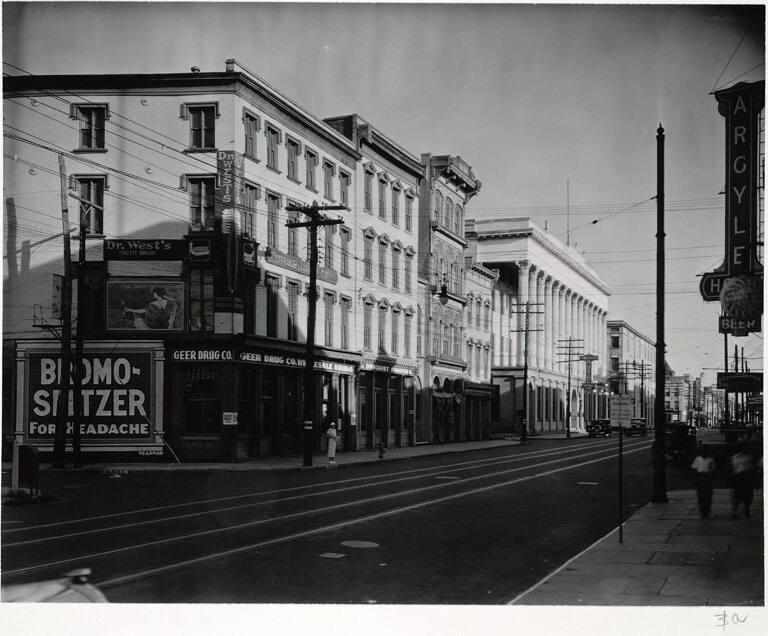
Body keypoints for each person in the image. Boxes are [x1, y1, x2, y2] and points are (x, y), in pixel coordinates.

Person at [691, 444, 716, 518]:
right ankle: (703, 511)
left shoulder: (711, 460)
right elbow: (694, 470)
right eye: (702, 450)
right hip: (700, 477)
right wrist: (694, 479)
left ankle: (707, 510)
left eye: (705, 450)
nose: (704, 452)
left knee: (708, 496)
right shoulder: (697, 459)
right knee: (701, 496)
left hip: (707, 477)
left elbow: (712, 471)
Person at [730, 446, 755, 519]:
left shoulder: (748, 457)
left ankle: (745, 509)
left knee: (747, 495)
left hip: (746, 477)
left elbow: (751, 468)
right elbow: (733, 468)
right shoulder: (735, 457)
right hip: (739, 477)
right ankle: (735, 511)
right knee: (737, 495)